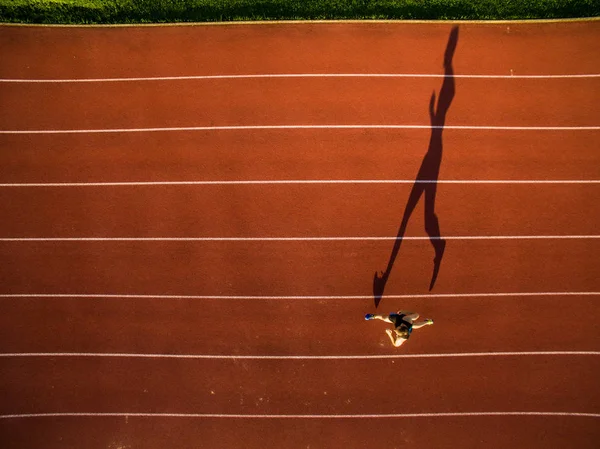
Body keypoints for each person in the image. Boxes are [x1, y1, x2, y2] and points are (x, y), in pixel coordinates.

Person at [365, 311, 433, 347]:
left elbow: (395, 344)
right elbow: (410, 316)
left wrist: (389, 335)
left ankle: (427, 322)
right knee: (416, 316)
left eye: (396, 332)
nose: (394, 330)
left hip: (403, 325)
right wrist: (403, 312)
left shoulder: (402, 338)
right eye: (396, 329)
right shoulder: (407, 319)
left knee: (414, 325)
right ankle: (374, 316)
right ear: (402, 325)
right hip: (401, 319)